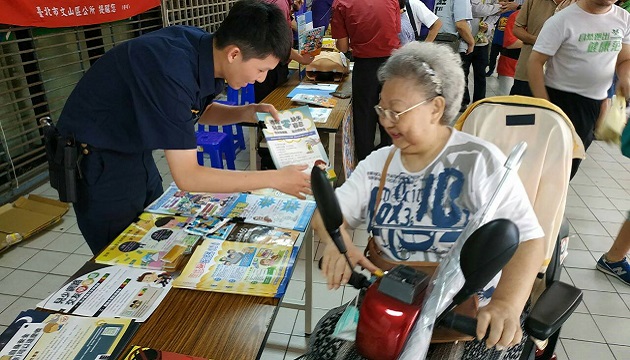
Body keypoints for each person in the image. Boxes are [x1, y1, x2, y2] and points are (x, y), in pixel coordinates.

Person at [309, 41, 545, 359]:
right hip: (389, 314)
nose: (385, 120)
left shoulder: (478, 161)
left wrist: (507, 304)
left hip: (465, 323)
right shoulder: (378, 164)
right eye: (382, 109)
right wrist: (337, 244)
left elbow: (529, 239)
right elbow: (327, 215)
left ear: (436, 108)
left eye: (396, 110)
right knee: (325, 340)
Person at [56, 0, 312, 255]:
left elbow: (196, 112)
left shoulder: (206, 50)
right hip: (98, 160)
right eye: (260, 69)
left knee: (156, 231)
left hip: (135, 150)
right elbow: (188, 176)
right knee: (121, 254)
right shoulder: (172, 71)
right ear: (234, 54)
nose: (261, 78)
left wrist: (246, 112)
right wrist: (275, 179)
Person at [527, 0, 630, 178]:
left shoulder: (624, 18)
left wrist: (625, 77)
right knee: (547, 168)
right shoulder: (562, 20)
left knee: (569, 167)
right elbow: (535, 62)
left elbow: (624, 60)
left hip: (595, 103)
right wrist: (546, 106)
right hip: (560, 100)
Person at [330, 0, 401, 162]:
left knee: (364, 115)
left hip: (365, 65)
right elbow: (394, 30)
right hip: (392, 63)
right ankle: (390, 155)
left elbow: (342, 47)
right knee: (392, 110)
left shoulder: (341, 3)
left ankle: (365, 162)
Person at [461, 0, 519, 112]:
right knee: (463, 73)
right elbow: (475, 10)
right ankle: (463, 101)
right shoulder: (495, 4)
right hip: (465, 40)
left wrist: (487, 26)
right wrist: (497, 7)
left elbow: (495, 18)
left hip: (483, 42)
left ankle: (479, 102)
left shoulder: (493, 1)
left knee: (480, 75)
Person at [509, 0, 557, 96]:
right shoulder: (533, 1)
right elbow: (517, 29)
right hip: (527, 74)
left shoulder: (579, 4)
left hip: (562, 79)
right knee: (521, 108)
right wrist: (539, 41)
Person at [496, 10, 522, 94]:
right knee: (506, 99)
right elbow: (510, 43)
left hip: (532, 68)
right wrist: (535, 40)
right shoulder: (516, 16)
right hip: (510, 64)